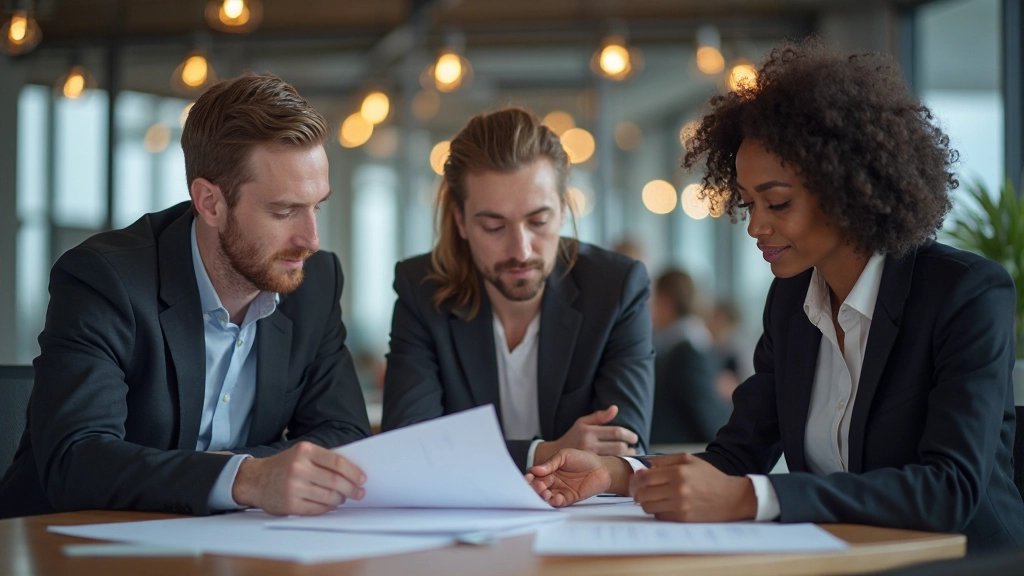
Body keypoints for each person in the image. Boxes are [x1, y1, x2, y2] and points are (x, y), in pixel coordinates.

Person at [526, 38, 1024, 553]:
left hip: (968, 561)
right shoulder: (791, 302)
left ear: (848, 187)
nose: (755, 225)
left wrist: (754, 499)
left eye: (777, 202)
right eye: (747, 202)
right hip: (844, 558)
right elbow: (737, 456)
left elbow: (950, 490)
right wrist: (618, 473)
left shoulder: (964, 293)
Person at [0, 73, 371, 519]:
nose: (311, 239)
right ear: (210, 202)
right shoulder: (106, 279)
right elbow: (77, 461)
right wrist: (249, 477)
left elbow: (345, 436)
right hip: (60, 544)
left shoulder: (315, 280)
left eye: (317, 206)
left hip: (229, 545)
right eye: (284, 211)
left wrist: (247, 476)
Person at [382, 107, 654, 472]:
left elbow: (624, 447)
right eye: (494, 226)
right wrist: (545, 452)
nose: (521, 251)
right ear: (461, 221)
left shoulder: (615, 288)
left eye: (538, 221)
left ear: (562, 209)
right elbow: (409, 446)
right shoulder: (423, 289)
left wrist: (461, 450)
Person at [649, 269, 729, 444]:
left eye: (653, 299)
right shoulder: (674, 345)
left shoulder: (688, 351)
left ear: (666, 302)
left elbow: (709, 422)